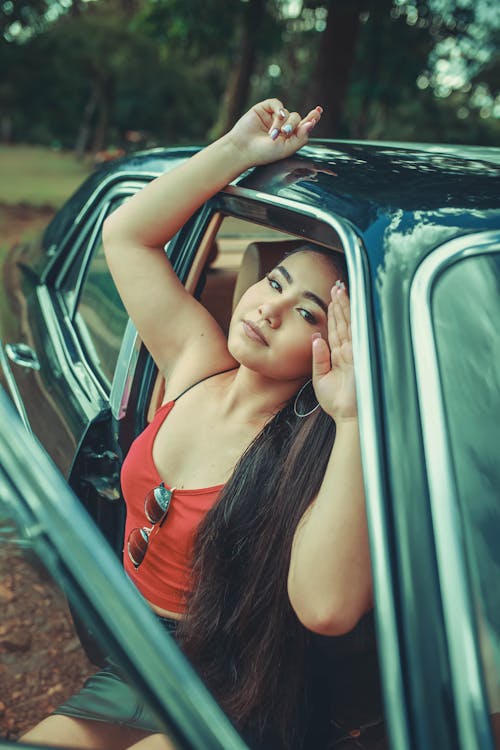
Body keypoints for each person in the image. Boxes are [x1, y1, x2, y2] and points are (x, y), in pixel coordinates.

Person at [19, 99, 376, 750]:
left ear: (343, 345)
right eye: (276, 281)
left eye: (309, 315)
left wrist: (350, 413)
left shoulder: (312, 453)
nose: (268, 309)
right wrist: (237, 151)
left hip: (231, 692)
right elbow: (127, 235)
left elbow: (327, 610)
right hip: (136, 662)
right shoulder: (196, 365)